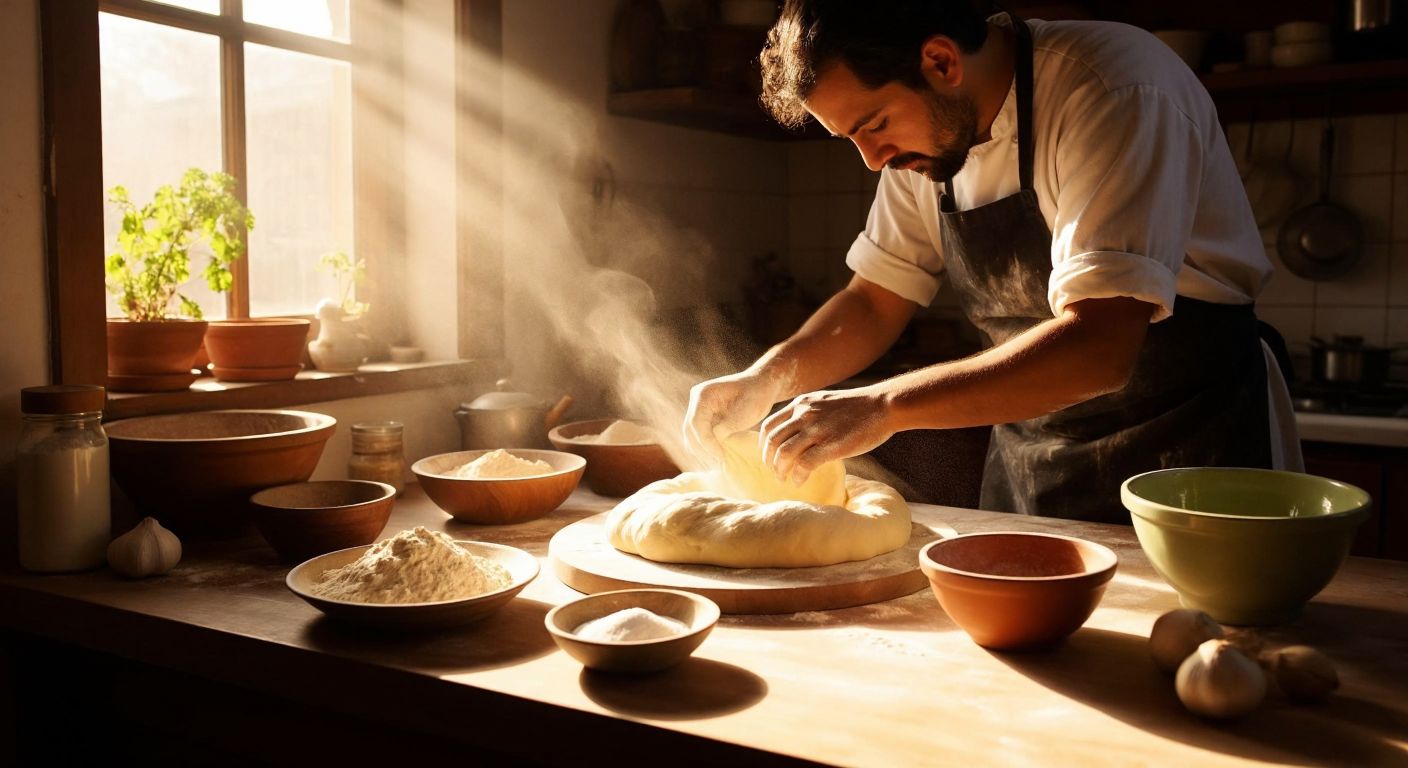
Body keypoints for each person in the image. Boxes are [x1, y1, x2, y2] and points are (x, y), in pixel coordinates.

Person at [682, 0, 1301, 523]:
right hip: (1033, 461)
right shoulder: (922, 144)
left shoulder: (1113, 87)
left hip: (1190, 452)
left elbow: (1100, 345)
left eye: (873, 125)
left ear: (941, 62)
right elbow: (874, 301)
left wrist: (882, 407)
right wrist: (765, 379)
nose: (871, 160)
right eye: (852, 138)